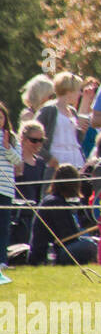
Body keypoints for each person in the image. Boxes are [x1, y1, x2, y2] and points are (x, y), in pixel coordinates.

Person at [28, 164, 97, 266]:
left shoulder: (54, 200)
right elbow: (68, 236)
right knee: (90, 245)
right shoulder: (55, 203)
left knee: (91, 242)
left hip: (56, 249)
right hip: (47, 254)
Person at [36, 72, 88, 169]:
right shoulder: (48, 109)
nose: (80, 93)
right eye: (78, 90)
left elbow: (76, 141)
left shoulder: (73, 111)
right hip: (55, 161)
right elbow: (34, 136)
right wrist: (49, 158)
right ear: (69, 92)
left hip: (75, 161)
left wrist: (82, 131)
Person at [12, 120, 48, 242]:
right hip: (16, 213)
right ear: (23, 138)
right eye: (34, 140)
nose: (38, 144)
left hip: (33, 214)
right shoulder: (14, 160)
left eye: (41, 140)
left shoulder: (41, 163)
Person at [0, 103, 18, 263]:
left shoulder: (11, 137)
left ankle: (2, 260)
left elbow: (17, 160)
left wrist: (7, 147)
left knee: (3, 226)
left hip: (5, 189)